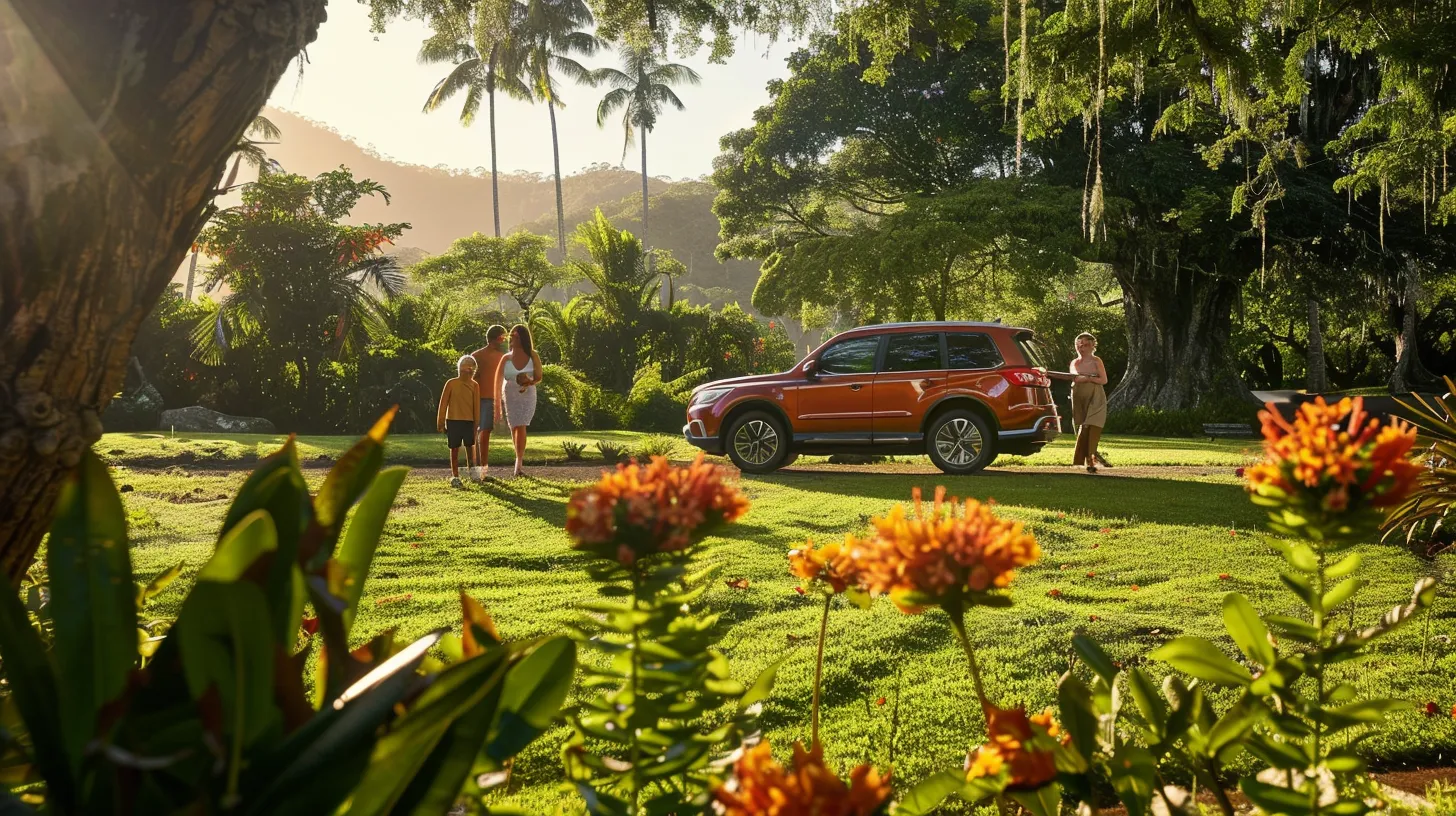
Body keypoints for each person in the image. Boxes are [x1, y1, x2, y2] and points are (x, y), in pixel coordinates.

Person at [1047, 332, 1109, 473]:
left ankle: (1091, 462)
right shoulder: (1075, 363)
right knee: (1083, 427)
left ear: (1093, 346)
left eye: (1085, 345)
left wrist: (1088, 378)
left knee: (1092, 426)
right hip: (1079, 396)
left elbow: (1103, 380)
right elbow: (1073, 377)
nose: (1081, 348)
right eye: (1078, 345)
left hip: (1095, 396)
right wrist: (1048, 373)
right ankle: (1080, 462)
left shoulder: (1096, 361)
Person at [492, 324, 544, 477]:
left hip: (527, 393)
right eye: (512, 336)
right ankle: (518, 461)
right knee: (514, 426)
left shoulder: (533, 355)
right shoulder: (505, 357)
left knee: (521, 425)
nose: (512, 338)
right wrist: (497, 405)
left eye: (515, 336)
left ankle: (518, 465)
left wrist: (529, 381)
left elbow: (539, 376)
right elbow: (497, 381)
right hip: (509, 393)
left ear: (523, 338)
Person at [470, 325, 508, 479]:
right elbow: (471, 379)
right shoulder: (477, 356)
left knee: (484, 432)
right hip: (483, 398)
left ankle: (481, 468)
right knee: (482, 432)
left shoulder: (502, 357)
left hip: (495, 398)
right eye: (503, 336)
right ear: (498, 338)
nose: (505, 340)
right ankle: (480, 468)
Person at [436, 355, 481, 487]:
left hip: (469, 421)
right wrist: (440, 421)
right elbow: (443, 403)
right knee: (454, 448)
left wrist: (476, 423)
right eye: (465, 368)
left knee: (470, 446)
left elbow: (476, 406)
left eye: (470, 369)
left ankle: (472, 472)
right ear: (459, 369)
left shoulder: (475, 386)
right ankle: (455, 476)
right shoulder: (451, 383)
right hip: (453, 420)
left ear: (473, 371)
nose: (467, 372)